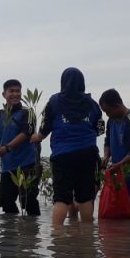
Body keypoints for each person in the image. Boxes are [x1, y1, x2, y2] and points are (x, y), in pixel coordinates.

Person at [39, 68, 104, 226]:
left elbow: (44, 129)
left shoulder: (54, 102)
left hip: (62, 155)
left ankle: (57, 237)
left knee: (61, 197)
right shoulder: (92, 104)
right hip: (87, 153)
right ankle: (88, 238)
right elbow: (100, 128)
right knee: (86, 196)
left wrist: (35, 137)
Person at [0, 79, 42, 216]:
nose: (15, 94)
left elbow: (26, 133)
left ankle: (31, 234)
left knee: (28, 202)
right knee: (6, 202)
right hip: (8, 167)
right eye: (11, 91)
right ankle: (10, 234)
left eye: (17, 91)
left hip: (27, 165)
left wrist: (7, 148)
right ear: (4, 94)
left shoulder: (28, 112)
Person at [98, 88, 130, 216]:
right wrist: (106, 156)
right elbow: (107, 141)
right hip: (118, 169)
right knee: (118, 207)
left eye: (108, 111)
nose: (107, 115)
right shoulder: (111, 121)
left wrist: (120, 164)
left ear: (117, 105)